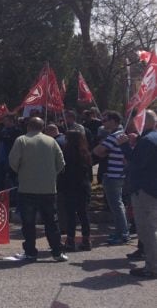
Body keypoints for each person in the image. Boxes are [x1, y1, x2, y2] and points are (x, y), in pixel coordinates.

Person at [9, 117, 68, 262]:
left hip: (27, 188)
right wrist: (51, 174)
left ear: (28, 126)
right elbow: (61, 163)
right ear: (42, 127)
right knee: (51, 222)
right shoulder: (51, 141)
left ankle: (30, 252)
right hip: (48, 189)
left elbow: (13, 162)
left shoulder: (21, 140)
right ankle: (57, 252)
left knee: (28, 223)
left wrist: (22, 172)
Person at [117, 109, 157, 278]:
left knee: (147, 230)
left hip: (145, 190)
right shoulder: (150, 138)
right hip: (151, 188)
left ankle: (152, 267)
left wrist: (124, 146)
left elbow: (136, 163)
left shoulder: (147, 140)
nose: (134, 124)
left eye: (136, 120)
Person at [93, 111, 129, 245]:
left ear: (114, 121)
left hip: (113, 175)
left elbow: (97, 151)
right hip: (120, 174)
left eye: (105, 120)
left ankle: (122, 233)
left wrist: (105, 150)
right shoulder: (122, 135)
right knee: (119, 205)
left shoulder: (114, 136)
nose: (103, 123)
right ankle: (122, 230)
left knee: (116, 205)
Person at [58, 130, 93, 251]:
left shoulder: (66, 153)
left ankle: (70, 241)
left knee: (70, 215)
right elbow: (89, 172)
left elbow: (62, 172)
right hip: (83, 186)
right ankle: (86, 240)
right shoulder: (85, 153)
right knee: (84, 214)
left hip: (69, 187)